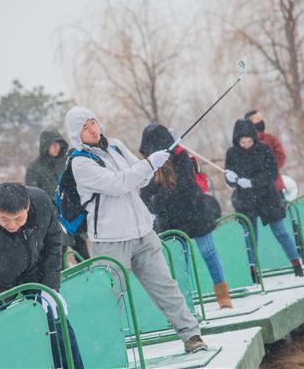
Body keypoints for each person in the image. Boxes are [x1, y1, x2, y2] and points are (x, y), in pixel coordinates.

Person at [64, 106, 208, 354]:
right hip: (110, 240)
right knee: (111, 298)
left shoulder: (116, 146)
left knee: (166, 287)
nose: (93, 130)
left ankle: (192, 336)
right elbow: (118, 184)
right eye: (85, 128)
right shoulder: (80, 162)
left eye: (94, 122)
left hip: (142, 231)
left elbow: (141, 178)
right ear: (77, 134)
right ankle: (106, 353)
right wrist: (148, 164)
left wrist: (151, 166)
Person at [0, 182, 84, 369]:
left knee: (56, 318)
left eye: (18, 218)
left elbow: (54, 244)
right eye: (5, 219)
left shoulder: (42, 203)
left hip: (34, 273)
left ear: (28, 207)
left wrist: (51, 288)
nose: (12, 225)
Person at [139, 124, 232, 309]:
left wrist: (159, 199)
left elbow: (183, 186)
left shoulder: (181, 157)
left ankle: (223, 298)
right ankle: (186, 304)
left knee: (209, 253)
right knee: (181, 263)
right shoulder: (150, 166)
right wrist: (156, 202)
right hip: (172, 222)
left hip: (195, 213)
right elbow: (146, 195)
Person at [224, 119, 304, 281]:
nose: (246, 144)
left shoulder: (264, 150)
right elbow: (230, 178)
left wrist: (252, 182)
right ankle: (254, 273)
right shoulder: (232, 153)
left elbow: (272, 173)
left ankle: (296, 264)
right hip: (245, 202)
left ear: (254, 138)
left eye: (249, 141)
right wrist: (231, 178)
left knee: (281, 232)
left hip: (268, 198)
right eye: (242, 141)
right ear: (237, 140)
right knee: (251, 238)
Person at [25, 129, 90, 260]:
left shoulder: (68, 161)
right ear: (45, 146)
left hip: (73, 215)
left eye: (57, 143)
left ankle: (90, 279)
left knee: (83, 255)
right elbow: (33, 194)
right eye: (52, 144)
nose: (55, 147)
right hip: (53, 218)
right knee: (58, 257)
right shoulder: (35, 168)